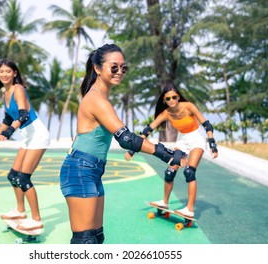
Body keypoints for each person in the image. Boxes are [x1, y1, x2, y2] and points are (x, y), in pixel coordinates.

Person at [59, 43, 187, 244]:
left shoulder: (100, 96)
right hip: (80, 170)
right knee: (85, 242)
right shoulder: (96, 99)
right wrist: (166, 153)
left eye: (123, 68)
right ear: (97, 68)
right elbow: (126, 138)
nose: (120, 72)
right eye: (114, 67)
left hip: (92, 170)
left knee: (96, 238)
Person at [125, 83, 218, 219]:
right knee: (170, 172)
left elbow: (206, 124)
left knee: (189, 172)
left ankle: (190, 209)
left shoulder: (189, 106)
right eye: (168, 99)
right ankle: (164, 202)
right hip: (182, 140)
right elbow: (147, 130)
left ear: (178, 97)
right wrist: (132, 150)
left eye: (174, 97)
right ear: (164, 100)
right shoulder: (166, 114)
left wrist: (212, 144)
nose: (171, 101)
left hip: (196, 138)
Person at [0, 59, 50, 230]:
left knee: (23, 178)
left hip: (37, 134)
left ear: (15, 73)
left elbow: (23, 115)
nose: (4, 74)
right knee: (13, 176)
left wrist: (8, 133)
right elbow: (8, 119)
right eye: (1, 71)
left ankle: (36, 219)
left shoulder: (18, 89)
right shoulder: (5, 92)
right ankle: (20, 211)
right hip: (27, 136)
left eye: (8, 71)